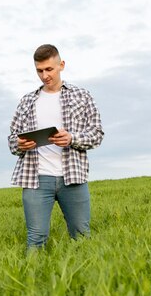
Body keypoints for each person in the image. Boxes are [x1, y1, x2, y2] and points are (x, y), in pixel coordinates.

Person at [8, 44, 104, 250]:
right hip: (36, 178)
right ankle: (30, 279)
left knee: (81, 236)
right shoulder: (27, 101)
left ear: (61, 65)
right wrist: (20, 144)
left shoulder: (82, 95)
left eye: (49, 69)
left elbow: (97, 134)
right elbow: (12, 141)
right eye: (39, 71)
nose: (44, 76)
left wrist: (72, 139)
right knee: (36, 238)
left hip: (73, 177)